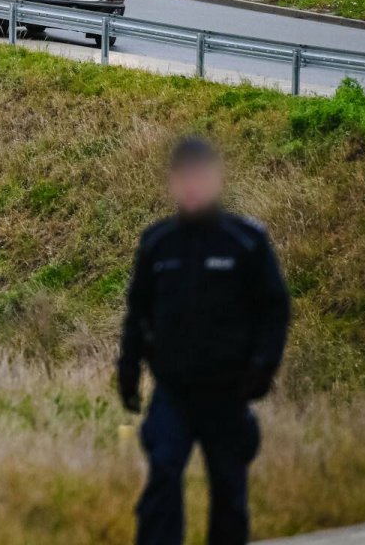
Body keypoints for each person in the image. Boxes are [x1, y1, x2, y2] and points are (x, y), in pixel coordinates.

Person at [118, 136, 292, 545]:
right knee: (162, 474)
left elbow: (274, 309)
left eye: (200, 177)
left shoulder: (245, 242)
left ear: (217, 180)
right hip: (173, 392)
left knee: (229, 494)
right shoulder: (158, 243)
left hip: (228, 392)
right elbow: (137, 312)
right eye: (184, 177)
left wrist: (263, 367)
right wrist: (128, 370)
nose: (192, 186)